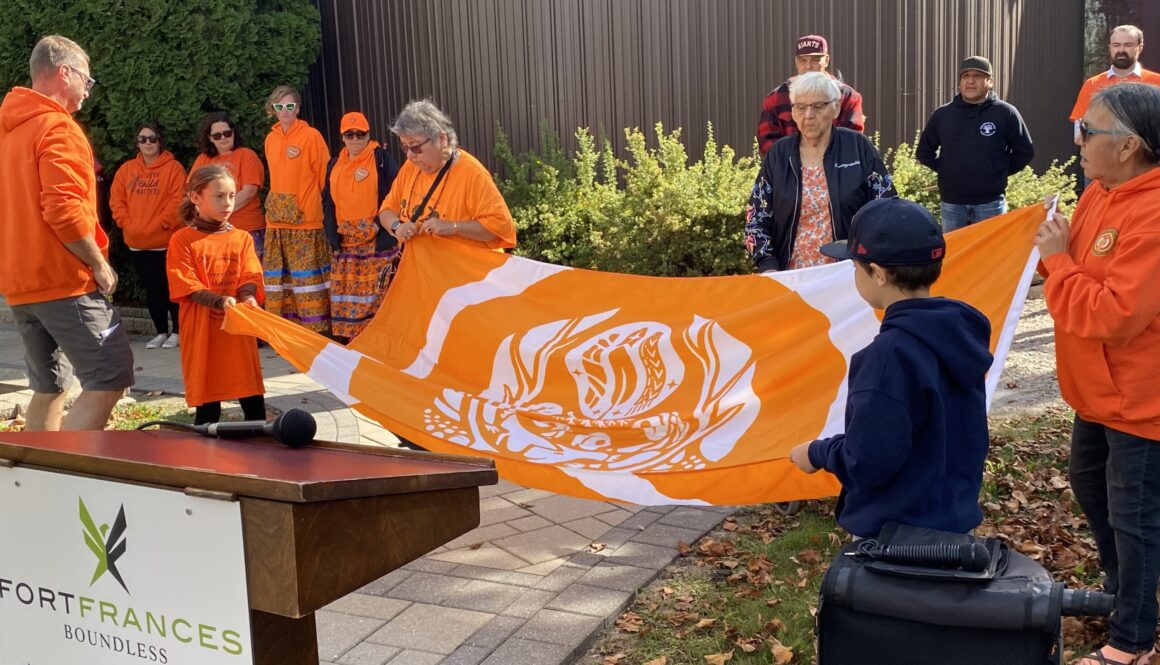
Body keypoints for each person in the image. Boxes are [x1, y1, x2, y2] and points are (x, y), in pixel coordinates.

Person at [1037, 82, 1160, 665]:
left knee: (1134, 517)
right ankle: (1125, 592)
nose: (1079, 140)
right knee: (1091, 487)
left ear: (1131, 145)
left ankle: (1133, 639)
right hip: (1096, 394)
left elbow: (1113, 313)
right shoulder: (1099, 191)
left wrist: (1059, 261)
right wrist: (1046, 250)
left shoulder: (1153, 212)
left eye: (1090, 131)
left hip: (1141, 399)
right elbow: (1070, 264)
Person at [788, 198, 992, 539]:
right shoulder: (961, 331)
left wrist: (816, 452)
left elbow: (867, 462)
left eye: (854, 266)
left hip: (897, 543)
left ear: (878, 274)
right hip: (954, 529)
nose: (854, 274)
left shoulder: (887, 358)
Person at [0, 35, 134, 431]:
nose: (88, 92)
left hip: (21, 282)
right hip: (64, 280)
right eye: (87, 81)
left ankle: (41, 479)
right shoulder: (59, 128)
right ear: (65, 73)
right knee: (111, 372)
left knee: (49, 386)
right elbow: (62, 211)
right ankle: (78, 477)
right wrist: (99, 264)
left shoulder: (10, 131)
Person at [745, 72, 894, 272]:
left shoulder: (858, 148)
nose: (809, 115)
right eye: (801, 107)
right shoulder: (779, 155)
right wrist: (767, 264)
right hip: (790, 276)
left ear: (836, 108)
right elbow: (757, 217)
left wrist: (868, 260)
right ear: (793, 111)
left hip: (849, 272)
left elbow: (886, 208)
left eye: (818, 106)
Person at [167, 165, 266, 426]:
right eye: (219, 196)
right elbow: (184, 282)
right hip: (203, 332)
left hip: (237, 332)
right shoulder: (182, 240)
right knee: (207, 406)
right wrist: (219, 301)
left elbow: (251, 274)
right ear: (196, 198)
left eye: (232, 195)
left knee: (253, 404)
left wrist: (248, 296)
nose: (228, 203)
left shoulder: (242, 238)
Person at [377, 99, 516, 252]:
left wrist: (453, 227)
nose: (410, 155)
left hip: (463, 273)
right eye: (405, 147)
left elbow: (501, 227)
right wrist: (397, 227)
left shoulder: (472, 173)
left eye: (415, 147)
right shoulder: (410, 168)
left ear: (441, 139)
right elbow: (386, 211)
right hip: (420, 271)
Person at [916, 56, 1035, 232]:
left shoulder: (1006, 113)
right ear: (959, 83)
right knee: (955, 254)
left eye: (977, 76)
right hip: (952, 203)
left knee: (992, 254)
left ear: (990, 82)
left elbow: (1025, 152)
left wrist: (997, 170)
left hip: (990, 203)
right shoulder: (943, 114)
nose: (970, 81)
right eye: (966, 76)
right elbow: (924, 152)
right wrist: (948, 170)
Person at [321, 111, 399, 342]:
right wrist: (330, 233)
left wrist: (382, 226)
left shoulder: (381, 159)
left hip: (375, 240)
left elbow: (396, 194)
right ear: (342, 137)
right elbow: (327, 200)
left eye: (360, 134)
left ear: (368, 134)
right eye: (350, 134)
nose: (355, 139)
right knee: (348, 295)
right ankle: (352, 342)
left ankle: (379, 339)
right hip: (345, 242)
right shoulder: (334, 163)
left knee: (377, 293)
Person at [262, 85, 332, 334]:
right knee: (283, 284)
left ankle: (316, 333)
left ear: (298, 108)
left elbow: (326, 178)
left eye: (290, 106)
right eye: (279, 106)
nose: (285, 111)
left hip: (306, 222)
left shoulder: (311, 136)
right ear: (274, 109)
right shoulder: (270, 139)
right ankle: (286, 332)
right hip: (277, 222)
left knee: (308, 282)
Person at [110, 122, 186, 349]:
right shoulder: (126, 170)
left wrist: (159, 224)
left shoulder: (174, 169)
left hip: (166, 241)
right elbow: (117, 200)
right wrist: (126, 223)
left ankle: (178, 332)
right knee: (152, 289)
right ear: (137, 143)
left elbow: (178, 201)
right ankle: (161, 331)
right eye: (143, 139)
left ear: (160, 141)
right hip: (137, 242)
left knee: (172, 288)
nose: (148, 143)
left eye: (152, 138)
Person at [755, 33, 865, 157]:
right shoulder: (776, 98)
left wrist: (821, 162)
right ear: (796, 62)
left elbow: (851, 140)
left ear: (827, 60)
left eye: (815, 60)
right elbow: (766, 143)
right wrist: (796, 162)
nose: (808, 66)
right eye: (803, 60)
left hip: (835, 170)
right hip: (788, 171)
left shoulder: (847, 96)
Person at [191, 111, 267, 260]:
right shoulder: (203, 159)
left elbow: (249, 191)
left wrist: (218, 212)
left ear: (233, 133)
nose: (223, 138)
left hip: (246, 228)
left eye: (227, 133)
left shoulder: (247, 155)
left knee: (250, 278)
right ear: (209, 138)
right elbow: (191, 189)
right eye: (217, 135)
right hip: (212, 231)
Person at [1070, 25, 1160, 145]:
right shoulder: (1092, 84)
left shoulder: (1156, 83)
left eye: (1128, 45)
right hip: (1105, 161)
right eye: (1116, 45)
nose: (1121, 50)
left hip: (1148, 162)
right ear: (1110, 48)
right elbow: (1079, 136)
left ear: (1140, 48)